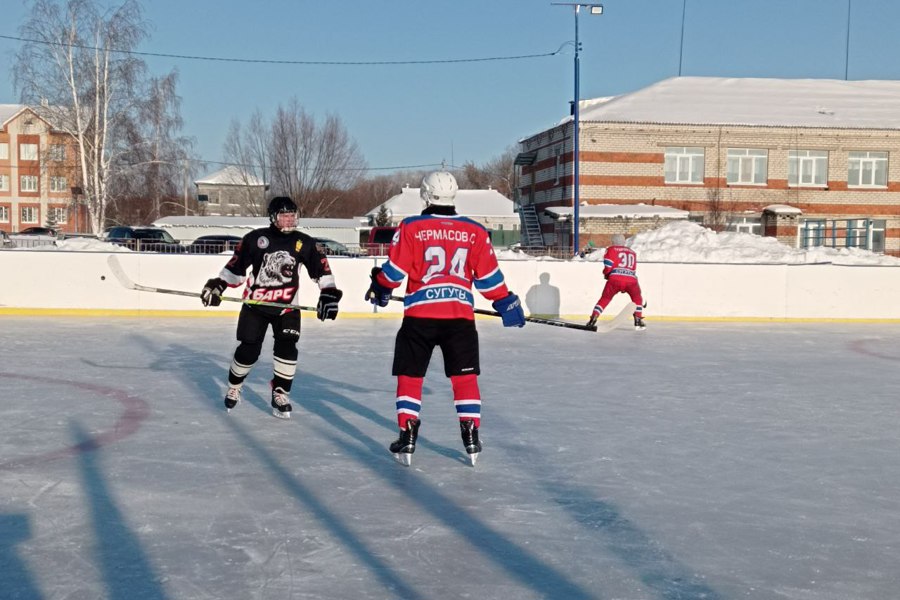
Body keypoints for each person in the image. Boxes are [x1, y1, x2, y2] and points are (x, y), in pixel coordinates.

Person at [366, 170, 525, 467]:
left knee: (410, 375)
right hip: (459, 318)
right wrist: (505, 302)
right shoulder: (475, 231)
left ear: (425, 194)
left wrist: (380, 286)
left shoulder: (412, 227)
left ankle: (408, 433)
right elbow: (489, 280)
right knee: (464, 378)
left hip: (420, 317)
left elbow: (395, 273)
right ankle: (471, 435)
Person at [200, 196, 343, 418]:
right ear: (273, 217)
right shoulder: (254, 239)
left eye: (291, 216)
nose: (288, 220)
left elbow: (322, 271)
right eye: (284, 216)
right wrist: (218, 286)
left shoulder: (304, 242)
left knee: (287, 348)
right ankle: (235, 386)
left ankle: (280, 392)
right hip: (255, 306)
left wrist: (329, 294)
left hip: (287, 307)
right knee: (248, 351)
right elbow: (235, 270)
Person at [587, 233, 645, 330]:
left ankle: (593, 319)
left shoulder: (611, 249)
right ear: (624, 242)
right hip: (631, 280)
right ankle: (638, 320)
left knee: (605, 298)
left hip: (615, 279)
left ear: (613, 242)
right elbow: (633, 269)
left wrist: (606, 274)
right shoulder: (632, 252)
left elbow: (608, 266)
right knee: (637, 299)